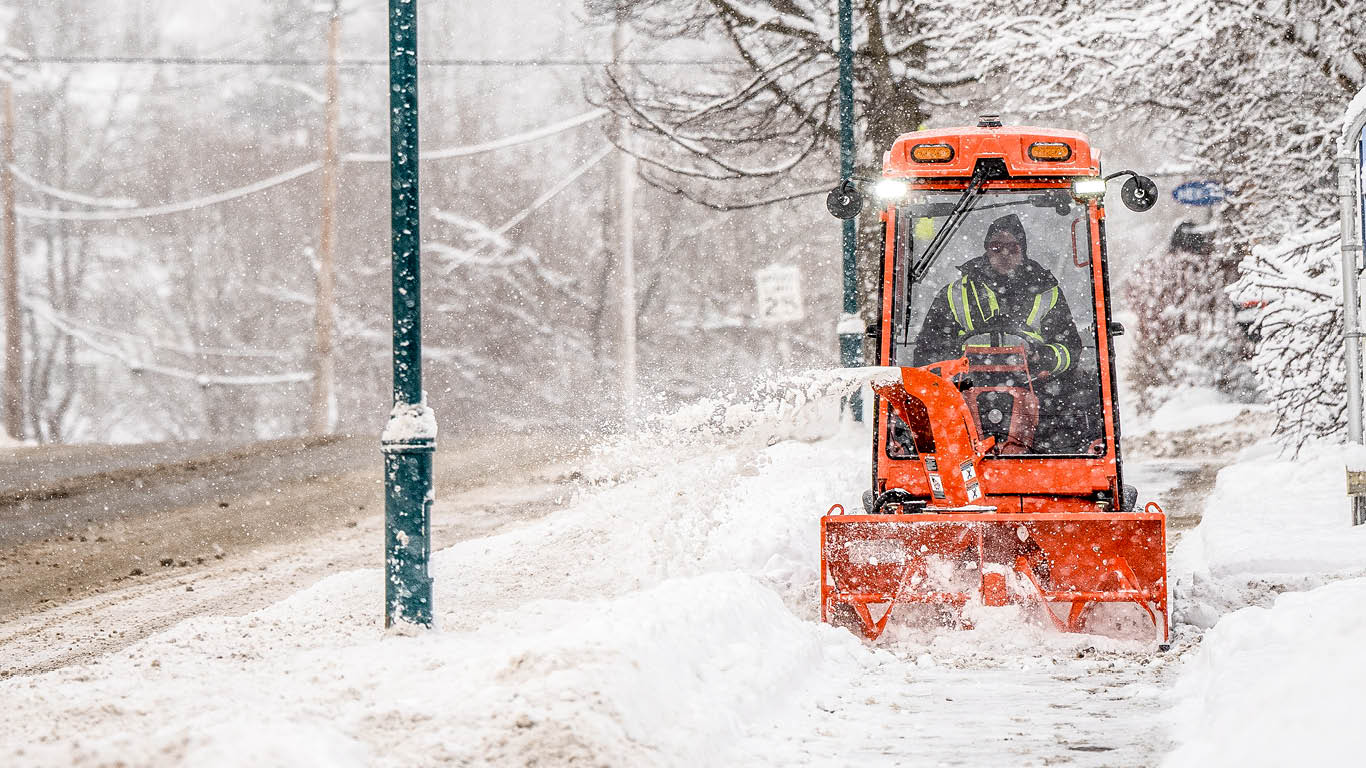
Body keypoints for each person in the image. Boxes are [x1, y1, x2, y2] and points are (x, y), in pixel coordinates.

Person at [912, 213, 1096, 452]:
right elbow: (928, 351)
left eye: (1012, 246)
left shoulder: (1046, 293)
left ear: (1023, 249)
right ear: (986, 250)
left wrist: (1044, 357)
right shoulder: (954, 294)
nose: (1004, 254)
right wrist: (955, 365)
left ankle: (1074, 458)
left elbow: (1070, 349)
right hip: (964, 393)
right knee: (918, 410)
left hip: (1039, 394)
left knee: (1082, 402)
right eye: (996, 247)